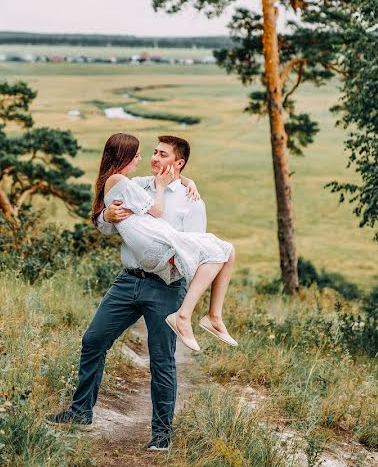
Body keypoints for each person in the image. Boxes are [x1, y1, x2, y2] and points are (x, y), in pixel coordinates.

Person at [46, 134, 236, 452]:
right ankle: (80, 413)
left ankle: (161, 434)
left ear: (179, 163)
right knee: (93, 341)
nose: (154, 159)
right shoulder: (141, 184)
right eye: (153, 153)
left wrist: (183, 181)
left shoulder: (192, 200)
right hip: (127, 281)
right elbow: (107, 221)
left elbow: (195, 251)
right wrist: (105, 217)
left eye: (163, 155)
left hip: (166, 288)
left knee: (162, 360)